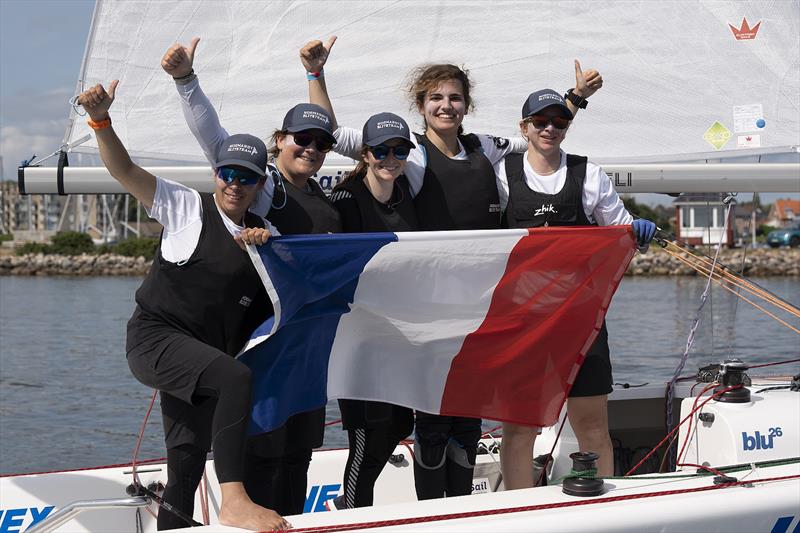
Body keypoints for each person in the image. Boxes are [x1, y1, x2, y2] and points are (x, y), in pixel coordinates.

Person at [303, 36, 603, 500]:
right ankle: (432, 513)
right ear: (420, 106)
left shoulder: (486, 146)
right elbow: (334, 132)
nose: (446, 106)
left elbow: (542, 129)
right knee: (435, 418)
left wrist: (575, 100)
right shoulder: (411, 153)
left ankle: (464, 510)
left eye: (455, 98)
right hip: (431, 308)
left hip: (481, 306)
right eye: (436, 98)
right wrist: (315, 75)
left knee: (468, 420)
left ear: (467, 105)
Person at [77, 81, 291, 531]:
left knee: (186, 460)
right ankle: (234, 499)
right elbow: (124, 171)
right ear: (216, 173)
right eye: (227, 173)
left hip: (202, 358)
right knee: (236, 378)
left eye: (246, 176)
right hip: (155, 341)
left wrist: (265, 248)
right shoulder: (183, 206)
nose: (234, 183)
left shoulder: (265, 232)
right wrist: (100, 121)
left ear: (260, 182)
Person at [162, 37, 341, 517]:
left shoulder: (327, 196)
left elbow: (324, 124)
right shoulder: (264, 188)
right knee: (266, 451)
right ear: (279, 141)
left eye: (322, 144)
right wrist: (186, 82)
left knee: (300, 455)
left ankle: (292, 526)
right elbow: (215, 141)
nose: (312, 148)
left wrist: (316, 77)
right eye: (301, 139)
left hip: (310, 349)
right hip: (266, 345)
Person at [497, 89, 656, 489]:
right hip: (523, 323)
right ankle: (519, 515)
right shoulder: (502, 175)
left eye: (559, 122)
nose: (550, 128)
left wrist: (636, 231)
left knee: (592, 426)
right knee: (519, 429)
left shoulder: (590, 175)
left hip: (580, 321)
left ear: (567, 127)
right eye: (540, 122)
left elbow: (620, 230)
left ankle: (604, 513)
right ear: (524, 128)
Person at [324, 112, 419, 509]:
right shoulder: (346, 199)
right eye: (381, 150)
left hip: (395, 330)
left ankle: (351, 502)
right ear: (365, 154)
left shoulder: (405, 196)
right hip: (356, 333)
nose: (390, 158)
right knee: (365, 431)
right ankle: (353, 509)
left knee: (400, 422)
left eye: (399, 150)